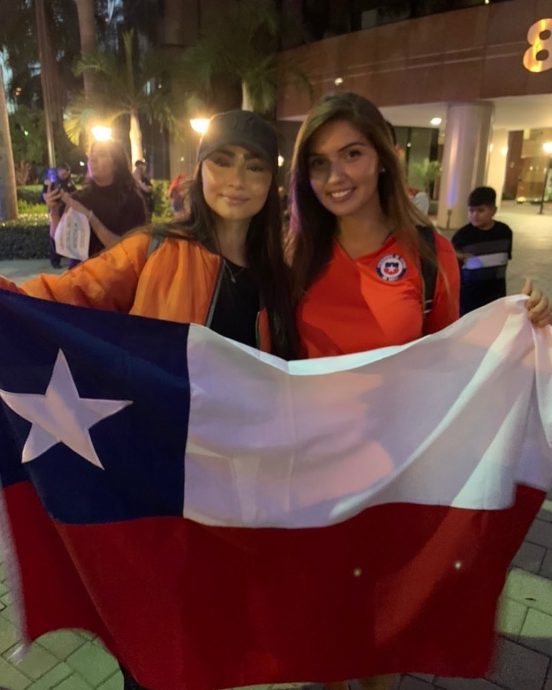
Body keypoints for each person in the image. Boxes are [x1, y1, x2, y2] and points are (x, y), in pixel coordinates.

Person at [0, 109, 298, 689]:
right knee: (152, 644)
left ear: (272, 182)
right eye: (223, 161)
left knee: (215, 635)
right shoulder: (155, 249)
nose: (237, 180)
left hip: (237, 494)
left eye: (255, 167)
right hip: (154, 486)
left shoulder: (282, 275)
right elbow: (60, 295)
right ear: (200, 169)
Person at [287, 92, 551, 690]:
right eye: (319, 163)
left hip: (398, 473)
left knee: (384, 621)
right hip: (315, 469)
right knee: (325, 619)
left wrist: (525, 328)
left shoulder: (429, 254)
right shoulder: (294, 251)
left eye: (352, 154)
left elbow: (455, 360)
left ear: (383, 158)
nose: (336, 176)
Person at [44, 141, 147, 268]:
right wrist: (54, 211)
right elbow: (60, 244)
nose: (92, 159)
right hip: (80, 275)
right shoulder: (78, 198)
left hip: (115, 275)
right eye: (91, 154)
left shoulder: (132, 200)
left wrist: (90, 218)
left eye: (101, 154)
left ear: (116, 163)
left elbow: (128, 251)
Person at [451, 186, 514, 315]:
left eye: (480, 210)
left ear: (493, 210)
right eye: (471, 210)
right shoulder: (462, 236)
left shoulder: (504, 232)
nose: (475, 215)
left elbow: (504, 260)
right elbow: (452, 265)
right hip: (468, 300)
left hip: (496, 297)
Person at [40, 163, 78, 269]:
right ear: (58, 171)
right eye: (63, 171)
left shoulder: (70, 183)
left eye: (67, 171)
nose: (65, 173)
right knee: (54, 236)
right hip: (55, 212)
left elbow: (76, 194)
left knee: (68, 236)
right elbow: (43, 196)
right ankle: (55, 260)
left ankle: (70, 258)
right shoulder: (51, 182)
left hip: (67, 212)